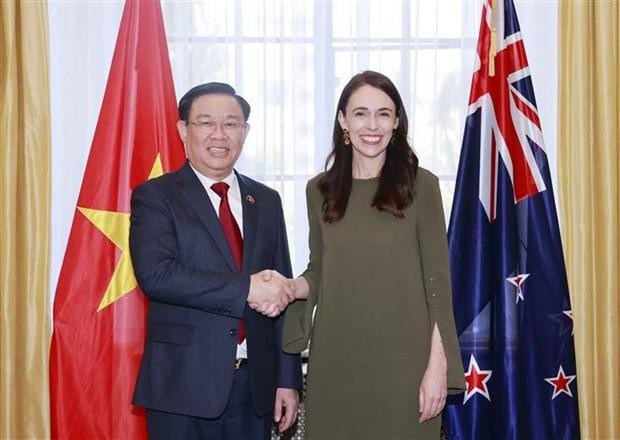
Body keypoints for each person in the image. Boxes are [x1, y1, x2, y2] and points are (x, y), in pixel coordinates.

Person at [283, 71, 465, 439]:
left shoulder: (422, 185)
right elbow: (319, 269)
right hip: (336, 361)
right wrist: (290, 288)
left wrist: (438, 368)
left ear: (397, 122)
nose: (372, 124)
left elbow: (437, 283)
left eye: (384, 114)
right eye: (361, 113)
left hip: (407, 368)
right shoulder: (318, 191)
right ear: (342, 120)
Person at [129, 82, 302, 440]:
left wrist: (287, 380)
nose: (219, 135)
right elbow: (157, 275)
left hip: (253, 388)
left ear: (245, 132)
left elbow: (281, 290)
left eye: (231, 124)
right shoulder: (155, 196)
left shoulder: (266, 201)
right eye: (206, 123)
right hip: (181, 388)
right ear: (183, 131)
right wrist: (246, 288)